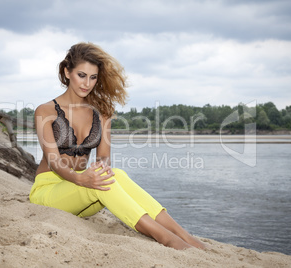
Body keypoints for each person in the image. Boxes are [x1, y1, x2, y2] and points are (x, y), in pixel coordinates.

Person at [29, 42, 206, 250]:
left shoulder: (102, 111)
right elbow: (54, 161)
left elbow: (103, 158)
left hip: (81, 194)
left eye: (93, 77)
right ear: (67, 72)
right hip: (49, 192)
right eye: (81, 75)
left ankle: (183, 235)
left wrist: (97, 171)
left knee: (116, 174)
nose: (87, 83)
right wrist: (80, 178)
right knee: (102, 183)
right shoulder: (45, 111)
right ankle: (167, 239)